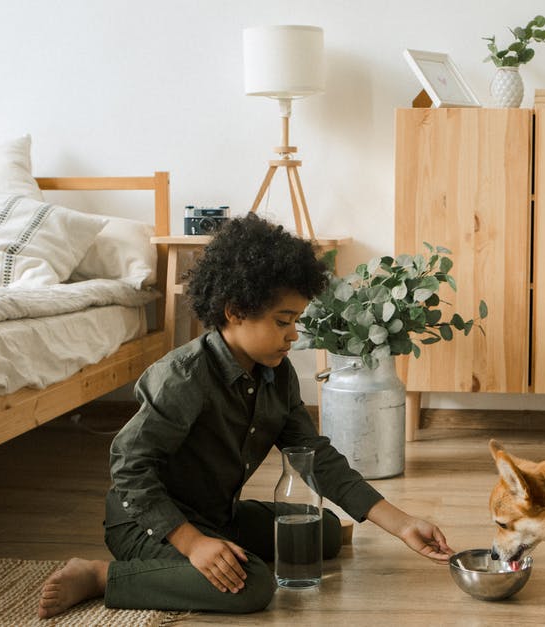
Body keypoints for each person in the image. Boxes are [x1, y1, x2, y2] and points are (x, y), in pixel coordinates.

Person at [38, 214, 454, 618]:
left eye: (296, 321)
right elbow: (128, 467)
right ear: (236, 311)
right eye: (284, 321)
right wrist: (193, 543)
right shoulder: (184, 377)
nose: (294, 335)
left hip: (218, 514)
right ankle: (101, 576)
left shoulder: (277, 373)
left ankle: (217, 547)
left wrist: (401, 525)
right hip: (149, 522)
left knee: (322, 528)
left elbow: (314, 455)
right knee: (252, 586)